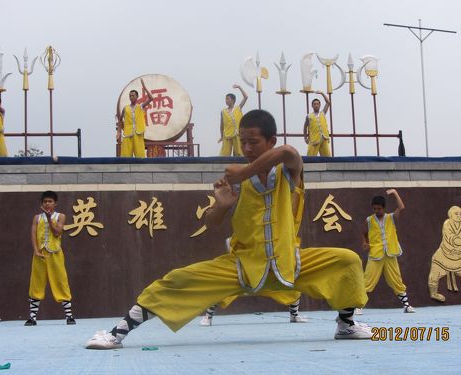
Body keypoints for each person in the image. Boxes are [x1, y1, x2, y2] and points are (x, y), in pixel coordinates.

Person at [86, 109, 370, 350]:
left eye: (253, 142)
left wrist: (244, 172)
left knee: (347, 261)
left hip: (290, 263)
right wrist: (222, 205)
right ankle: (118, 332)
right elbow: (211, 222)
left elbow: (289, 151)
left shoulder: (287, 172)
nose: (246, 148)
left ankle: (345, 325)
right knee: (177, 280)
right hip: (243, 267)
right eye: (242, 142)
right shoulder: (236, 183)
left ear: (270, 140)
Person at [359, 189, 415, 314]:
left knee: (396, 279)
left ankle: (406, 306)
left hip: (390, 253)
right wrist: (364, 242)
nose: (377, 211)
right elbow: (364, 233)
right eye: (375, 209)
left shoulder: (391, 217)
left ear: (384, 208)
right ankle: (359, 306)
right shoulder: (369, 220)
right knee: (367, 280)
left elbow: (401, 207)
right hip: (375, 254)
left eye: (379, 209)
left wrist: (395, 193)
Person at [25, 191, 76, 326]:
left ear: (55, 203)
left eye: (50, 201)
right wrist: (36, 251)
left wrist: (49, 218)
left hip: (55, 253)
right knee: (36, 282)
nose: (47, 204)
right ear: (41, 203)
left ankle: (69, 316)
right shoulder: (37, 217)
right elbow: (33, 234)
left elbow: (57, 232)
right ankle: (32, 318)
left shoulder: (60, 216)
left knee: (61, 280)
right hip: (40, 254)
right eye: (45, 201)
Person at [428, 206, 461, 302]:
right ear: (450, 215)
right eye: (456, 214)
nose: (459, 216)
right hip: (444, 255)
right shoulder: (447, 224)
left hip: (460, 256)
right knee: (434, 272)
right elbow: (455, 240)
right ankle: (433, 293)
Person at [117, 79, 154, 158]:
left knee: (140, 156)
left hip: (138, 133)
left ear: (137, 97)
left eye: (133, 95)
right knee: (125, 156)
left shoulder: (140, 106)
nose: (131, 97)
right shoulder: (125, 108)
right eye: (130, 96)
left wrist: (144, 88)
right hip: (128, 134)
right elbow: (120, 121)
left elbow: (151, 98)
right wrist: (119, 132)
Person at [218, 84, 248, 156]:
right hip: (227, 135)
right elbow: (221, 125)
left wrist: (239, 87)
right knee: (224, 154)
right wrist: (222, 136)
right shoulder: (223, 111)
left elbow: (246, 97)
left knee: (239, 153)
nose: (226, 100)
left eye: (228, 99)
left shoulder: (238, 108)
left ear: (233, 100)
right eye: (226, 99)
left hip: (237, 134)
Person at [303, 91, 331, 157]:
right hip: (314, 139)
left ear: (319, 105)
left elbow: (328, 102)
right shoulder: (309, 116)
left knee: (327, 158)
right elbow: (305, 127)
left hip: (324, 138)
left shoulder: (323, 113)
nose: (316, 105)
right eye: (314, 104)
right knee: (310, 157)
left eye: (317, 104)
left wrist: (322, 93)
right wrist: (305, 138)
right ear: (312, 105)